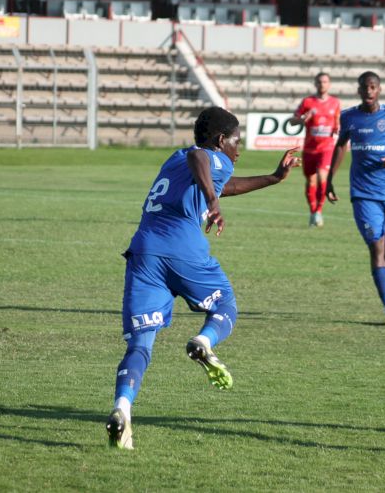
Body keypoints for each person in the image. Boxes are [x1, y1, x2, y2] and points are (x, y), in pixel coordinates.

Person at [106, 107, 300, 450]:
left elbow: (220, 183)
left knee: (140, 344)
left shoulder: (174, 159)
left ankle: (122, 409)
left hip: (144, 253)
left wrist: (272, 178)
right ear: (221, 140)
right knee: (226, 304)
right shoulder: (207, 156)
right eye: (237, 142)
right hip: (183, 249)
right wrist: (212, 202)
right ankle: (204, 341)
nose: (239, 150)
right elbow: (202, 160)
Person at [326, 72, 385, 324]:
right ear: (359, 90)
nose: (369, 91)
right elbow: (340, 146)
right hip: (362, 193)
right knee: (376, 247)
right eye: (365, 87)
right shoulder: (349, 117)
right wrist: (330, 179)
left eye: (373, 87)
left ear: (379, 90)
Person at [288, 72, 340, 227]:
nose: (322, 84)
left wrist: (338, 130)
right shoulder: (308, 102)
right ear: (315, 84)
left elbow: (337, 123)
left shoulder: (335, 103)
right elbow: (292, 121)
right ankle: (313, 212)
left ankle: (319, 211)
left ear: (329, 84)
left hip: (327, 148)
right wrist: (302, 119)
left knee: (322, 176)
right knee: (311, 180)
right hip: (310, 149)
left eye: (325, 81)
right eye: (320, 81)